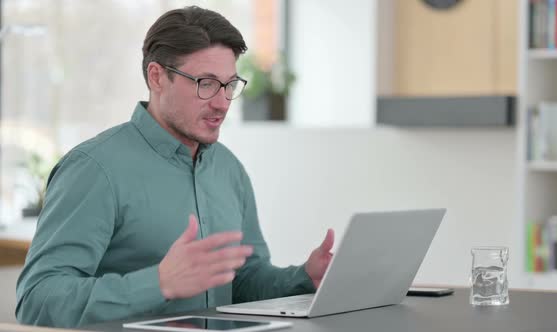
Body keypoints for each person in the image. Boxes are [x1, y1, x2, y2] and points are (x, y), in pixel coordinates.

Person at [15, 6, 334, 328]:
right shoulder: (94, 169)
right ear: (157, 77)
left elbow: (243, 280)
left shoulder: (228, 169)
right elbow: (37, 301)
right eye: (206, 83)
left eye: (230, 84)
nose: (222, 102)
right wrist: (159, 283)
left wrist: (304, 277)